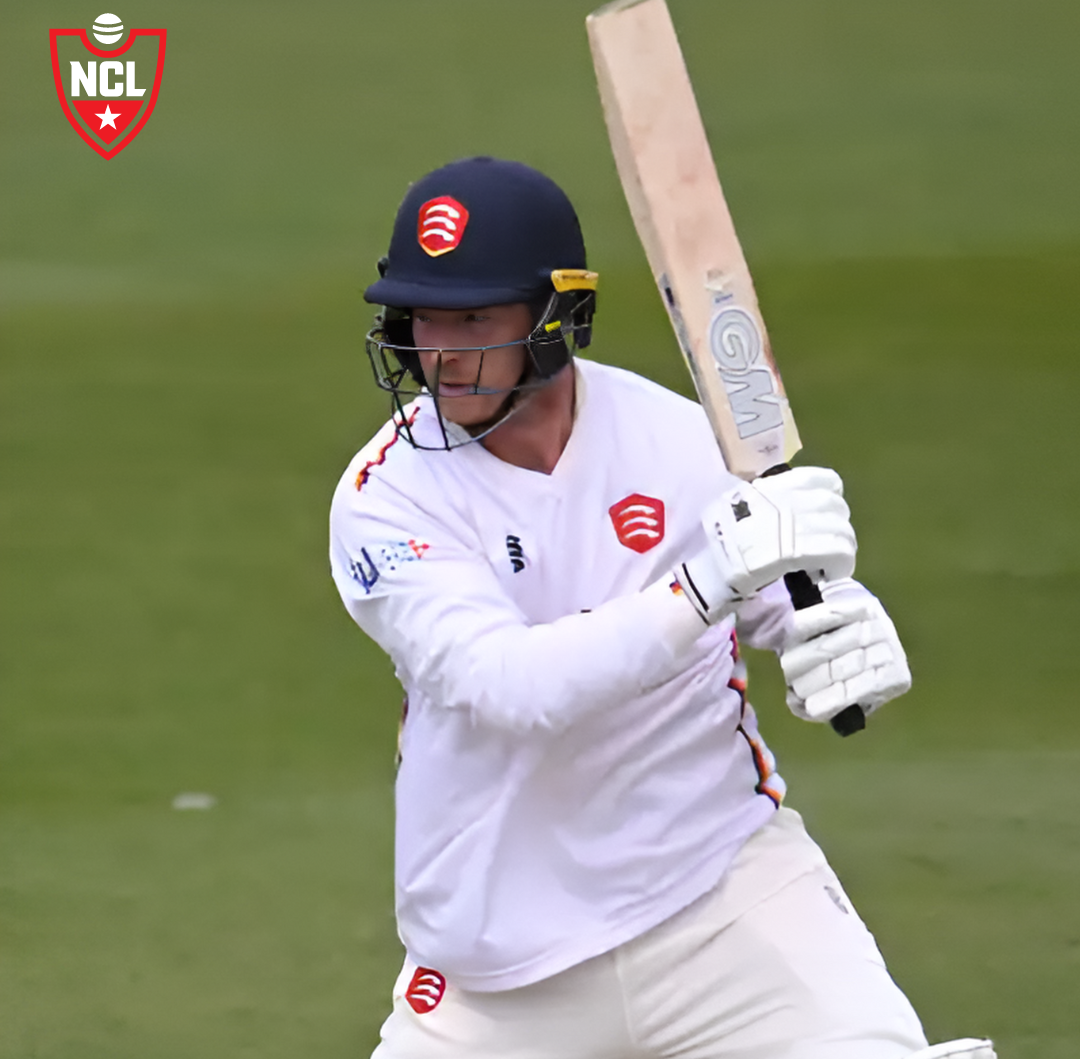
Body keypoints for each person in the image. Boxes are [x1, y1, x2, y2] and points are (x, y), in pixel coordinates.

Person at [329, 157, 995, 1059]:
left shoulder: (683, 439)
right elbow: (507, 687)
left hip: (722, 898)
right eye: (421, 317)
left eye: (474, 316)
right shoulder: (386, 498)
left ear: (559, 316)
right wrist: (702, 585)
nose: (439, 348)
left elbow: (774, 600)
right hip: (499, 971)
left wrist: (838, 626)